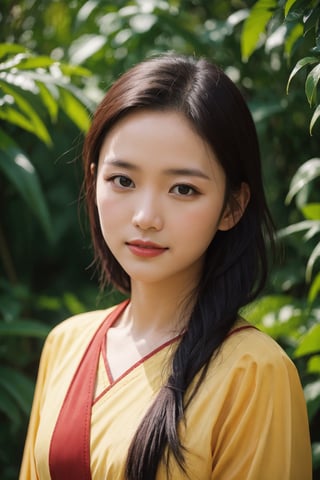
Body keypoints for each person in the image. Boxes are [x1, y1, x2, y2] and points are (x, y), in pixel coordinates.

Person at [19, 53, 312, 480]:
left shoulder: (254, 372)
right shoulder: (67, 344)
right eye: (123, 181)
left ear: (232, 206)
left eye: (183, 189)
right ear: (94, 179)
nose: (145, 216)